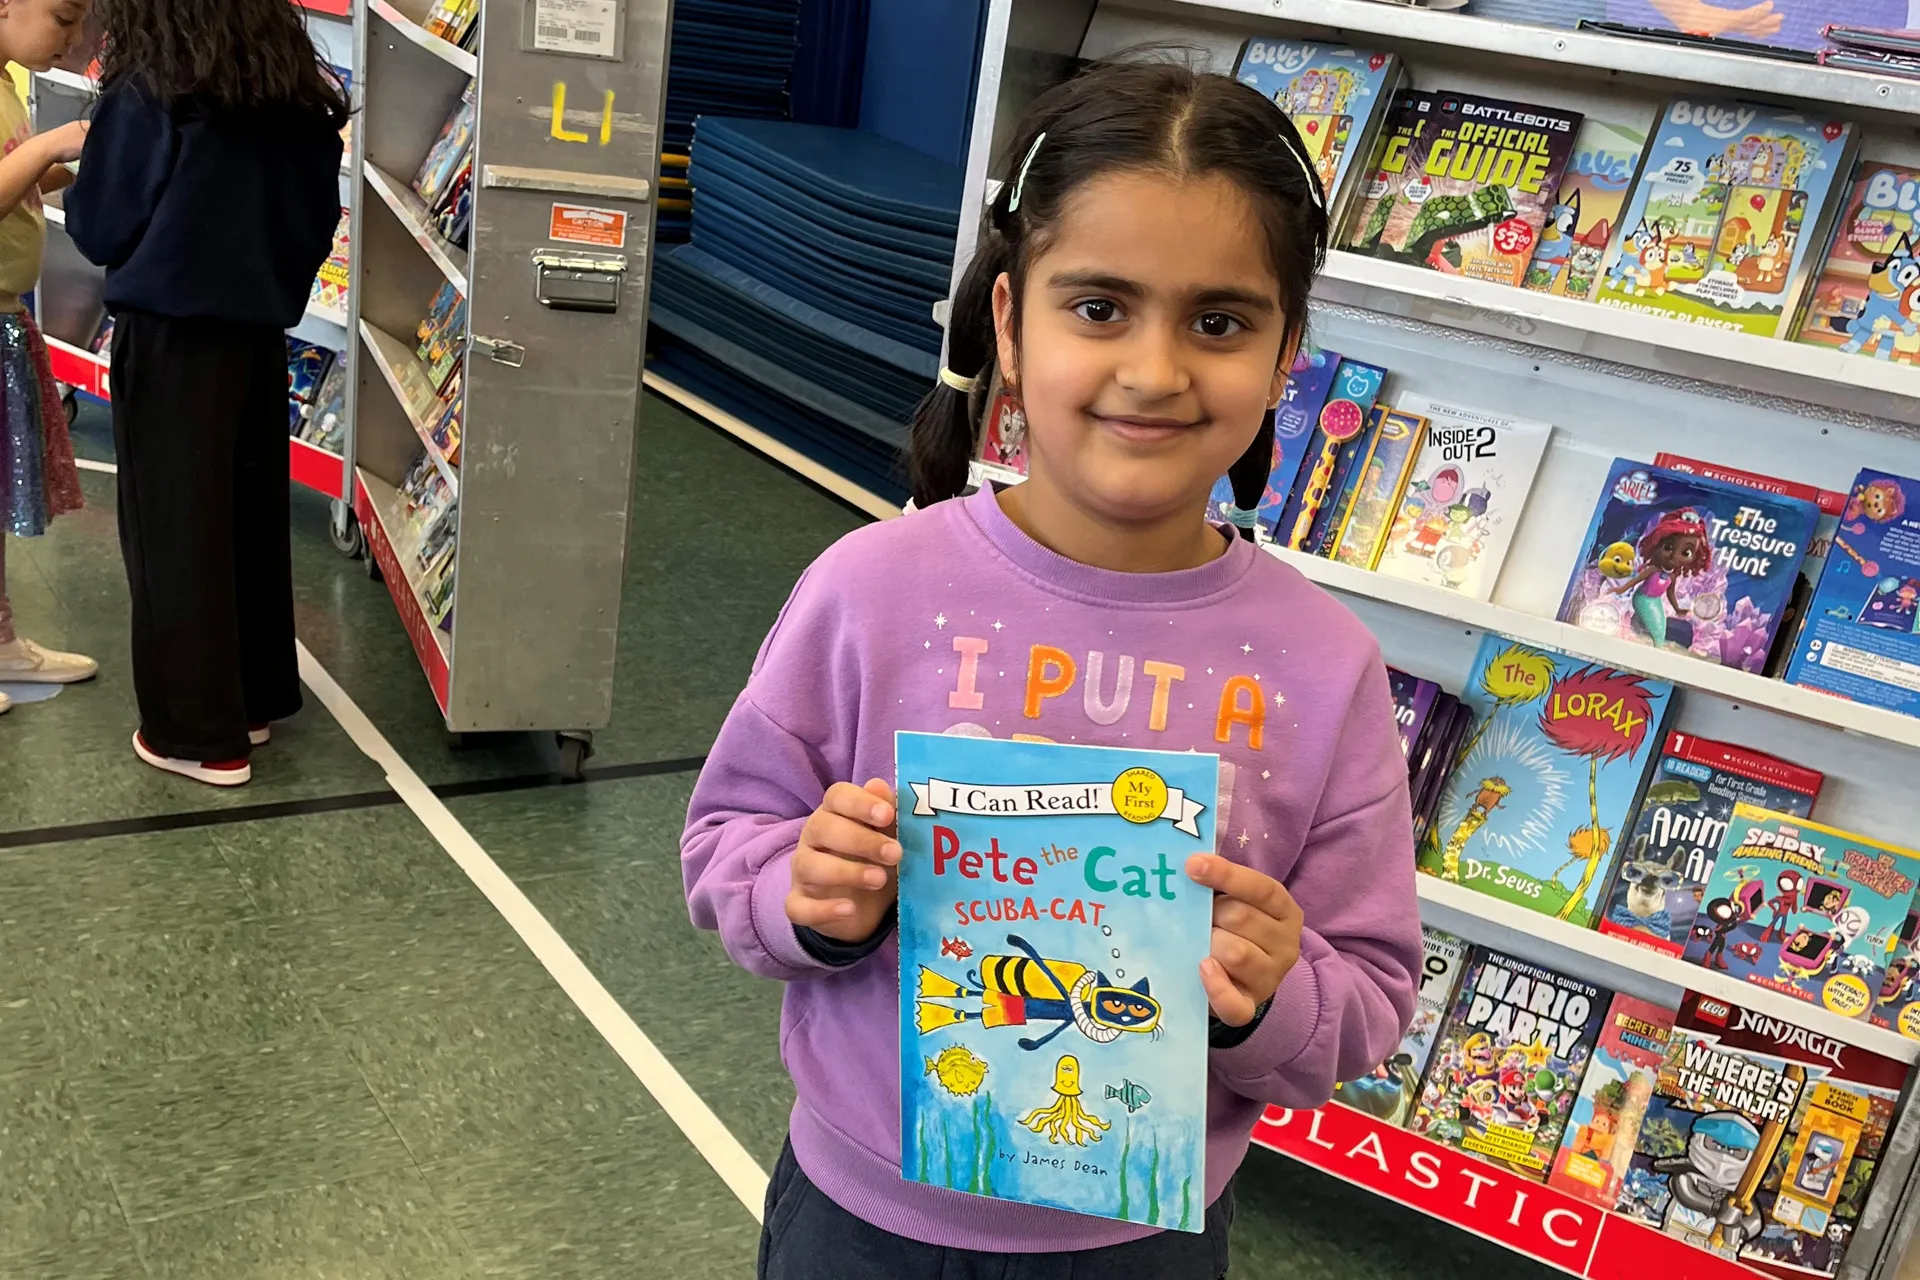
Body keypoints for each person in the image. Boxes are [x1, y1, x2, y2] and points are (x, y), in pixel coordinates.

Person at [682, 60, 1422, 1280]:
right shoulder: (871, 589)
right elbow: (728, 841)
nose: (1156, 368)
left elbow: (1369, 987)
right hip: (865, 1221)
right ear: (1010, 326)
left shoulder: (1324, 664)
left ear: (1289, 351)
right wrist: (802, 894)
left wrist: (1264, 993)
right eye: (1099, 307)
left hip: (1141, 1236)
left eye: (1220, 321)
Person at [65, 0, 346, 783]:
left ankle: (196, 732)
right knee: (244, 520)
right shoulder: (291, 90)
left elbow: (102, 225)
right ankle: (251, 700)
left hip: (171, 331)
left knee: (173, 532)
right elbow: (317, 218)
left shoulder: (151, 87)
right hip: (256, 334)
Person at [0, 0, 100, 715]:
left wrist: (76, 162)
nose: (71, 40)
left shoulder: (7, 82)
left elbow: (19, 185)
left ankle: (0, 642)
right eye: (62, 17)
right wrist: (50, 146)